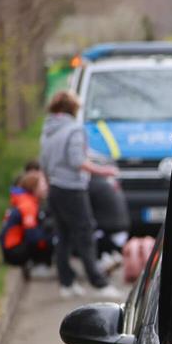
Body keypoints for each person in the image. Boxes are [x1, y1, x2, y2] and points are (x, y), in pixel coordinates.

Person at [39, 90, 122, 299]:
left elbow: (45, 163)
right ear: (73, 109)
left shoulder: (48, 130)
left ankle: (66, 283)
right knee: (85, 233)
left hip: (55, 188)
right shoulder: (75, 130)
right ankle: (99, 282)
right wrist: (105, 170)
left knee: (64, 236)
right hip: (73, 189)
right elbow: (77, 160)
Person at [0, 170, 53, 274]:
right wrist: (50, 239)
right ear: (34, 188)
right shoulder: (28, 205)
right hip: (13, 252)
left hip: (11, 248)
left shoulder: (28, 200)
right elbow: (32, 236)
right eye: (42, 184)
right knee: (53, 238)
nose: (46, 187)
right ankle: (37, 265)